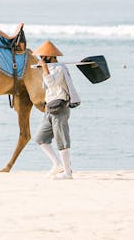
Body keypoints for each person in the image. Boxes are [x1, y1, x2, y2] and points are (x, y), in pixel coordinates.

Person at [33, 40, 80, 180]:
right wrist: (44, 69)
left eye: (42, 57)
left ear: (49, 56)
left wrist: (44, 69)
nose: (40, 59)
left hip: (60, 108)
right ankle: (57, 164)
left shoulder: (60, 68)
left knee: (62, 140)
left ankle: (67, 172)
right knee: (41, 138)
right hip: (49, 108)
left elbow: (52, 83)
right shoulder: (51, 68)